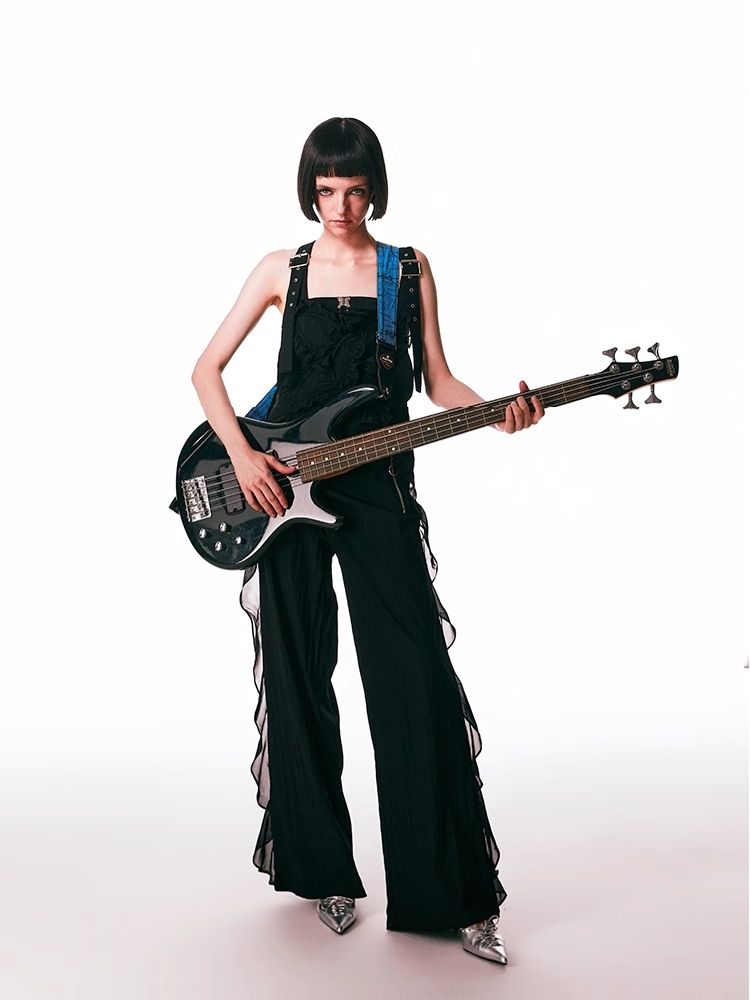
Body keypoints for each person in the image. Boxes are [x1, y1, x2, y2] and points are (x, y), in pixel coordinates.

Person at [190, 117, 544, 964]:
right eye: (325, 191)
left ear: (374, 190)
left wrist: (495, 411)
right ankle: (326, 875)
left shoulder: (406, 270)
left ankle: (453, 896)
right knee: (298, 673)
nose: (339, 207)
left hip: (378, 487)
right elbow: (205, 371)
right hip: (282, 492)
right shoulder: (280, 269)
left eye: (353, 191)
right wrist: (243, 458)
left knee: (413, 676)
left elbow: (439, 379)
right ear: (309, 191)